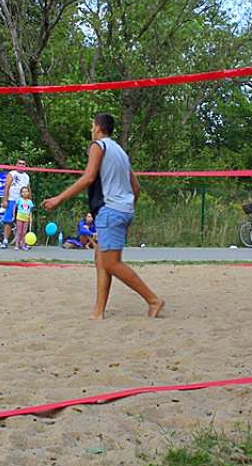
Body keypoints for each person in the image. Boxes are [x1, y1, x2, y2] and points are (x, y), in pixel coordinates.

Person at [44, 113, 164, 319]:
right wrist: (128, 210)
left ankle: (153, 300)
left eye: (92, 125)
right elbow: (136, 188)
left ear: (98, 128)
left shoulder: (98, 146)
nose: (92, 129)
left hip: (111, 210)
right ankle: (98, 312)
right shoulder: (120, 152)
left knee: (111, 263)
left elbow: (89, 177)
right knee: (101, 260)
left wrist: (59, 199)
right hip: (122, 210)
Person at [1, 158, 31, 248]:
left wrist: (29, 201)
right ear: (16, 165)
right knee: (9, 220)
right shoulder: (12, 174)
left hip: (23, 202)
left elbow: (28, 189)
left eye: (23, 164)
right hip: (12, 200)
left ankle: (22, 242)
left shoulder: (27, 176)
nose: (21, 165)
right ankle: (5, 240)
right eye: (20, 164)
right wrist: (5, 200)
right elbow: (6, 187)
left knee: (23, 222)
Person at [13, 185, 34, 250]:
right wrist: (14, 215)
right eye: (23, 192)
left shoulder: (30, 202)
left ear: (28, 193)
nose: (25, 193)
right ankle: (17, 245)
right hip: (19, 218)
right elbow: (15, 208)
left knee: (24, 232)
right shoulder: (19, 200)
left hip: (26, 219)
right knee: (19, 231)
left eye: (26, 191)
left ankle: (23, 244)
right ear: (21, 193)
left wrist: (30, 218)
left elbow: (30, 211)